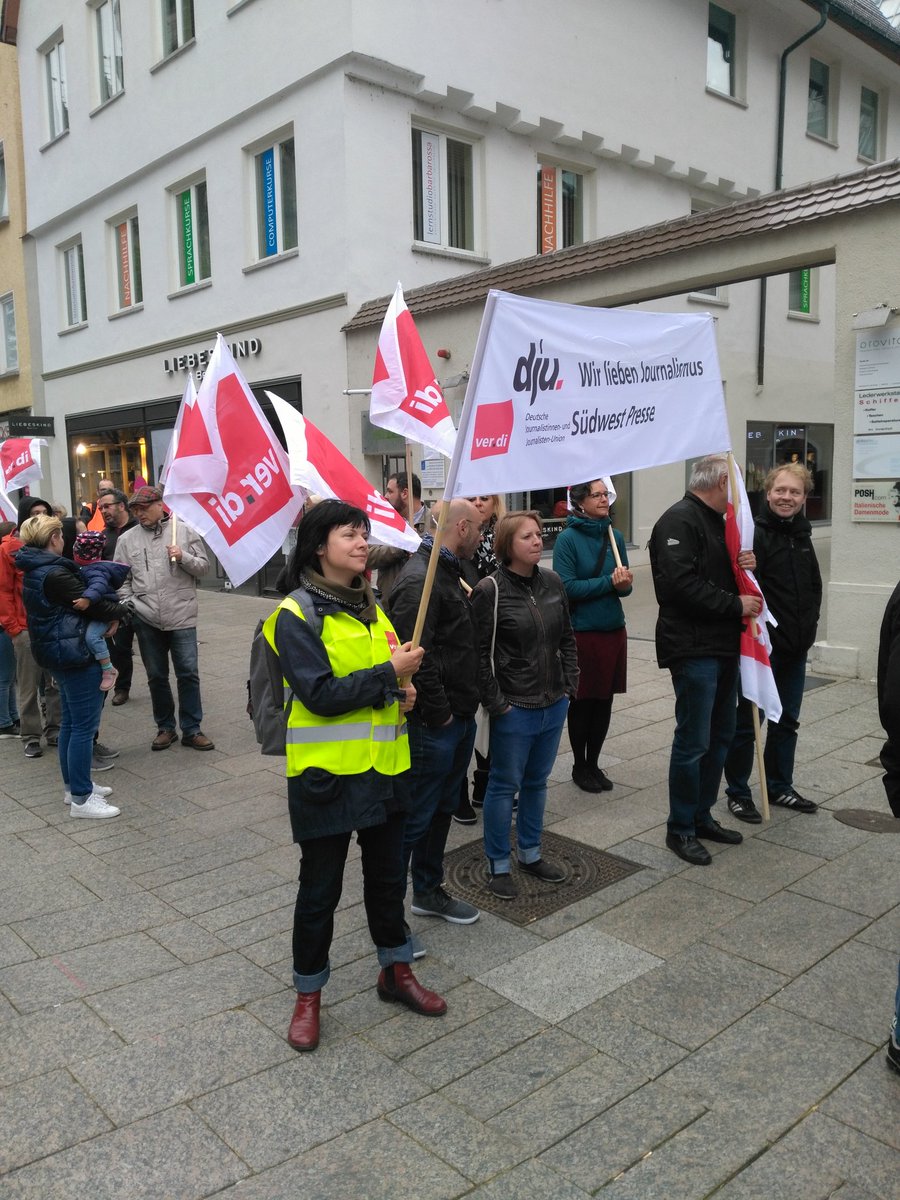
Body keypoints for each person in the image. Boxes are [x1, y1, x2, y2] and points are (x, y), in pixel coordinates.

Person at [266, 499, 446, 1051]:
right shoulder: (295, 615)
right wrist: (386, 674)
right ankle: (308, 995)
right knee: (320, 890)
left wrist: (403, 691)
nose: (363, 542)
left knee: (388, 881)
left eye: (364, 533)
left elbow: (382, 683)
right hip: (326, 778)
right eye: (350, 534)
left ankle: (395, 971)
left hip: (386, 774)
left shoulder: (373, 607)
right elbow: (319, 696)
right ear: (320, 546)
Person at [649, 455, 760, 866]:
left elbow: (719, 571)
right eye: (738, 484)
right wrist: (736, 604)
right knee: (694, 740)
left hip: (722, 645)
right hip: (693, 648)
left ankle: (701, 815)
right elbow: (680, 586)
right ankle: (679, 828)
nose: (742, 495)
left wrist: (746, 566)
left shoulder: (719, 522)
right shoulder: (679, 520)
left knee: (720, 736)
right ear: (719, 482)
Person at [471, 511, 579, 899]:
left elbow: (566, 636)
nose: (537, 541)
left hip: (553, 703)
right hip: (515, 707)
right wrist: (499, 705)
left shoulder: (552, 582)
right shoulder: (490, 590)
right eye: (527, 536)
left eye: (538, 534)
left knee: (537, 782)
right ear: (507, 545)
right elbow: (479, 656)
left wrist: (570, 686)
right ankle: (498, 862)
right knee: (504, 785)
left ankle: (531, 852)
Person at [389, 498, 484, 928]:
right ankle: (391, 915)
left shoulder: (446, 570)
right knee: (418, 814)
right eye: (480, 530)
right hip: (434, 722)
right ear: (461, 528)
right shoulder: (418, 581)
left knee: (442, 806)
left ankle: (428, 890)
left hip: (457, 714)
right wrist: (442, 714)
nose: (482, 538)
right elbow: (414, 659)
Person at [724, 464, 822, 821]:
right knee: (748, 722)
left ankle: (780, 784)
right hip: (762, 649)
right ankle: (738, 792)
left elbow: (813, 587)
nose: (787, 497)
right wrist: (746, 562)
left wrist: (810, 626)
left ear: (803, 498)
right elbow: (741, 583)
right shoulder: (754, 536)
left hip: (796, 649)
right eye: (781, 490)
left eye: (794, 492)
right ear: (768, 494)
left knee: (788, 721)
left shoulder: (803, 535)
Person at [14, 515, 123, 818]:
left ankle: (74, 786)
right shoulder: (54, 573)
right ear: (53, 539)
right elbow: (96, 604)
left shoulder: (38, 569)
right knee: (82, 728)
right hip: (73, 653)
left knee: (72, 724)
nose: (68, 541)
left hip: (60, 651)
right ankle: (81, 798)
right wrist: (122, 610)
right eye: (64, 536)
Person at [114, 486, 214, 751]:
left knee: (188, 674)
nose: (140, 514)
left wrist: (183, 556)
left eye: (144, 508)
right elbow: (120, 579)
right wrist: (129, 605)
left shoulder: (184, 530)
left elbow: (204, 568)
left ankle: (192, 729)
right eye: (135, 510)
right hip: (146, 617)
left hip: (181, 613)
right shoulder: (127, 540)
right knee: (156, 676)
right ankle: (166, 728)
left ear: (161, 505)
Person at [553, 479, 633, 793]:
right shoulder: (567, 540)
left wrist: (624, 585)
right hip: (583, 633)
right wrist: (608, 584)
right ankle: (579, 765)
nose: (604, 500)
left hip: (613, 629)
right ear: (580, 501)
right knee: (583, 702)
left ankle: (595, 762)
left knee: (604, 701)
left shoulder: (616, 537)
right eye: (596, 495)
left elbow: (625, 589)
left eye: (605, 495)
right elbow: (566, 587)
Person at [0, 496, 62, 758]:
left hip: (52, 625)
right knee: (27, 685)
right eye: (35, 513)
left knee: (54, 684)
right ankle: (31, 735)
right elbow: (3, 591)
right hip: (25, 628)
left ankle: (56, 730)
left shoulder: (52, 544)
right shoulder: (8, 548)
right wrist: (13, 627)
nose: (40, 517)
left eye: (45, 513)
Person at [70, 530, 131, 692]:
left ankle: (108, 668)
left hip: (104, 613)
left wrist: (87, 599)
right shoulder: (87, 568)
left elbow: (98, 585)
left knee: (92, 637)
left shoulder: (95, 570)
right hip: (103, 612)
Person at [98, 488, 137, 706]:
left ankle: (156, 682)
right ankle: (122, 687)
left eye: (107, 506)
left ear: (121, 506)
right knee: (119, 647)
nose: (103, 511)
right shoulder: (103, 537)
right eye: (101, 507)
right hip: (114, 600)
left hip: (141, 597)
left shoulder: (139, 529)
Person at [367, 471, 426, 605]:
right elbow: (368, 556)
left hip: (423, 602)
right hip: (392, 604)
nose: (385, 496)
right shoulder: (382, 524)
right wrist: (401, 547)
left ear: (404, 493)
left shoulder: (435, 522)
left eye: (389, 491)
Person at [0, 521, 19, 737]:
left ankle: (12, 718)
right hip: (3, 625)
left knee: (8, 676)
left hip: (5, 624)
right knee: (5, 677)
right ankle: (4, 722)